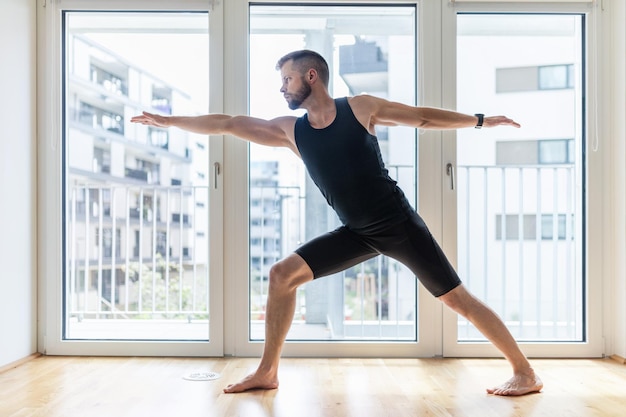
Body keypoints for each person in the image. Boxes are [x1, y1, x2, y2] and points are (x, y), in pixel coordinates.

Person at [131, 49, 543, 396]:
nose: (282, 88)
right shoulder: (291, 131)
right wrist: (170, 122)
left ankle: (525, 372)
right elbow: (227, 123)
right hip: (356, 233)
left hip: (399, 226)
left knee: (457, 300)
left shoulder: (359, 108)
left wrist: (480, 120)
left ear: (311, 76)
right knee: (281, 276)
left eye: (287, 79)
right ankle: (268, 372)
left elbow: (421, 118)